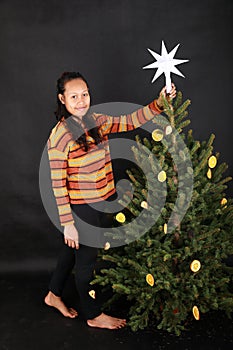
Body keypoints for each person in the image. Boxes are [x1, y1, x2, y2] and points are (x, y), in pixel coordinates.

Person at [44, 71, 176, 329]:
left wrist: (159, 103)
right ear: (62, 99)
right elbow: (57, 184)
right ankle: (93, 316)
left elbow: (130, 121)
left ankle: (53, 295)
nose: (81, 101)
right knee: (86, 264)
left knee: (71, 253)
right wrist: (68, 223)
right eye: (74, 96)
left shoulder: (98, 120)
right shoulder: (60, 136)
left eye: (85, 94)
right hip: (82, 210)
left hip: (101, 202)